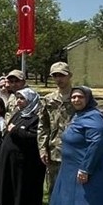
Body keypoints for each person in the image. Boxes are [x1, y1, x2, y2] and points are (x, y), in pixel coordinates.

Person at [0, 88, 46, 205]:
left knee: (24, 190)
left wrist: (17, 131)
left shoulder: (37, 117)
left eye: (22, 98)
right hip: (11, 160)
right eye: (17, 98)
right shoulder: (18, 114)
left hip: (26, 163)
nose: (18, 101)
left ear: (31, 100)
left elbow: (36, 137)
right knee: (10, 187)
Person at [39, 61, 76, 195]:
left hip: (75, 151)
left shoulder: (78, 97)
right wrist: (42, 149)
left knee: (74, 188)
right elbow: (43, 126)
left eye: (62, 75)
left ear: (69, 76)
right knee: (54, 189)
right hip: (54, 151)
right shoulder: (48, 99)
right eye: (55, 76)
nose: (58, 79)